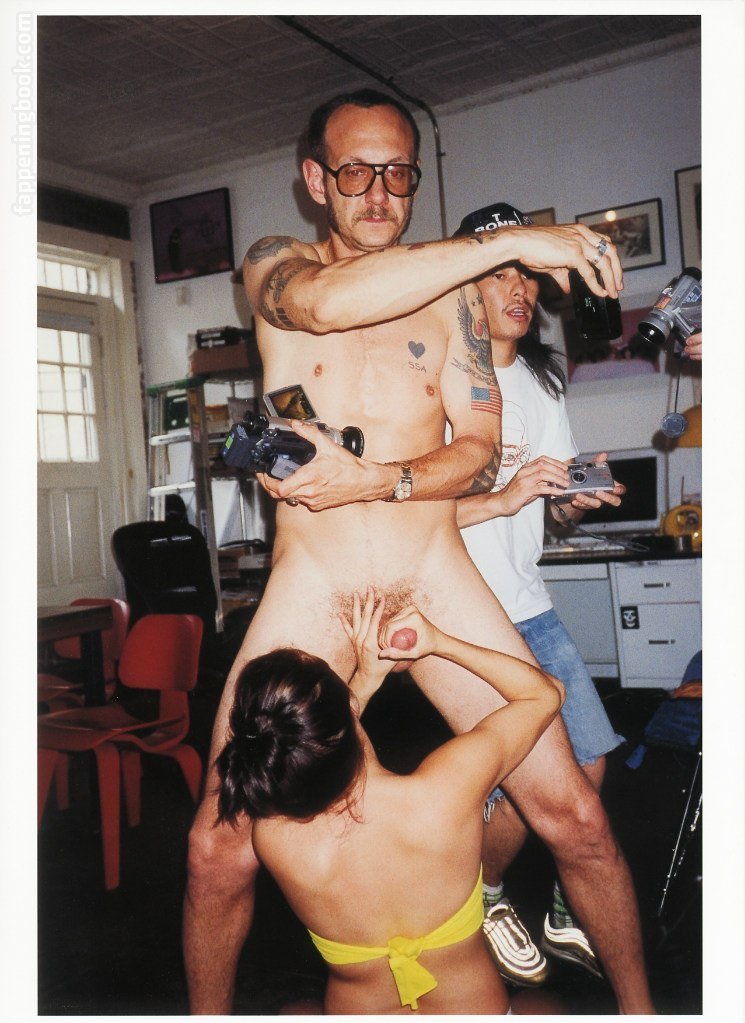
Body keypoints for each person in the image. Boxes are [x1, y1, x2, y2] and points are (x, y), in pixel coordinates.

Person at [184, 88, 655, 1015]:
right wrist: (513, 242)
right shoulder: (275, 263)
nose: (377, 193)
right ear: (315, 179)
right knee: (217, 848)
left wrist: (380, 480)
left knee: (576, 816)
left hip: (431, 572)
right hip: (315, 583)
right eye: (354, 171)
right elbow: (325, 306)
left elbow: (476, 448)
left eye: (398, 173)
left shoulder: (454, 303)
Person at [215, 589, 565, 1014]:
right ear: (343, 714)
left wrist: (362, 682)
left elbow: (314, 749)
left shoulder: (273, 839)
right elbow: (544, 694)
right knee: (543, 1003)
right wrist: (439, 642)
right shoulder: (446, 789)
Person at [453, 203, 628, 986]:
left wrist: (573, 499)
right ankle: (485, 894)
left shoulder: (539, 378)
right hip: (467, 611)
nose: (517, 289)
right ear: (465, 282)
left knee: (590, 762)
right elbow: (405, 513)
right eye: (498, 273)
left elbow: (551, 504)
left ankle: (563, 902)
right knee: (531, 786)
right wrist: (505, 493)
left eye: (525, 273)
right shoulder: (442, 380)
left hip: (530, 600)